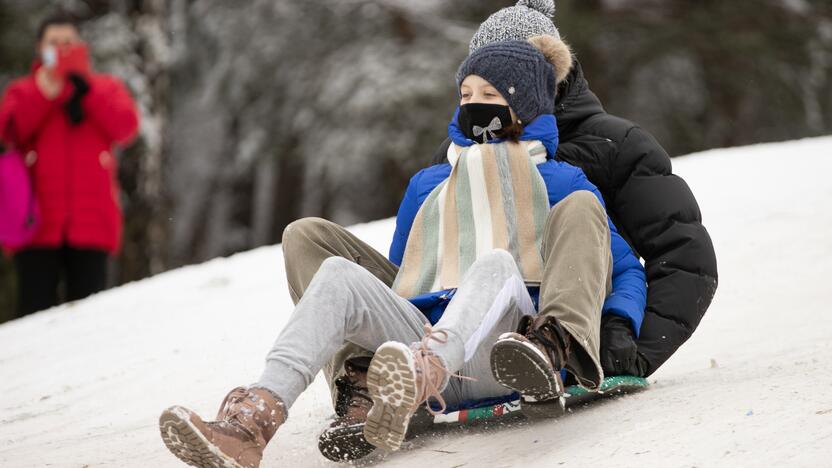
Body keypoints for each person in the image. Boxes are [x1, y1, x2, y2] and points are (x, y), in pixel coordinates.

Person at [159, 38, 646, 467]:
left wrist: (621, 326)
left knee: (498, 261)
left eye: (490, 96)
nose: (473, 105)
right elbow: (403, 283)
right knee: (331, 265)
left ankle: (542, 347)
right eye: (465, 96)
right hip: (423, 353)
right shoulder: (430, 185)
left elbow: (616, 266)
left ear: (526, 107)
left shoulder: (563, 181)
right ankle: (255, 421)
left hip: (513, 352)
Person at [427, 0, 718, 378]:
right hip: (468, 345)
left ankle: (551, 347)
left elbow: (683, 255)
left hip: (572, 340)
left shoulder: (616, 144)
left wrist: (628, 351)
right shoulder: (454, 157)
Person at [0, 12, 140, 316]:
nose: (62, 50)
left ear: (81, 46)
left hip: (92, 223)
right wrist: (44, 93)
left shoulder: (105, 88)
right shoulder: (24, 90)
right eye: (54, 43)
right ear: (40, 48)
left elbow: (126, 127)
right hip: (36, 225)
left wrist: (85, 91)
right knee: (34, 317)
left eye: (68, 43)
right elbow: (9, 131)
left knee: (88, 318)